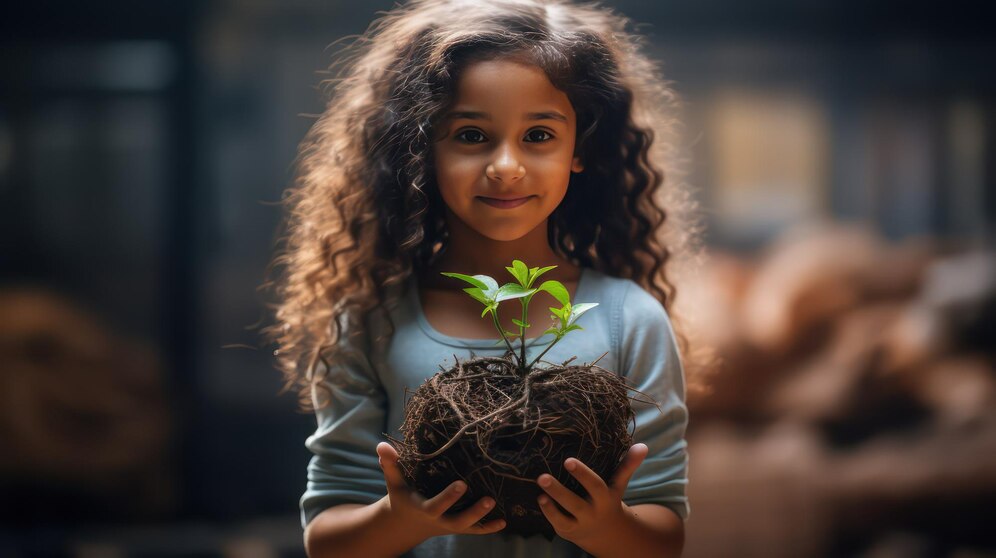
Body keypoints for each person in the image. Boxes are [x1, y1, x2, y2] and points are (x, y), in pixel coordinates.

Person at [262, 0, 702, 555]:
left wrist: (601, 527)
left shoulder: (630, 320)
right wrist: (406, 519)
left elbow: (663, 536)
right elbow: (327, 537)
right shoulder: (371, 320)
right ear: (423, 147)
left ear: (579, 149)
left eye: (539, 135)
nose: (506, 166)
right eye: (471, 135)